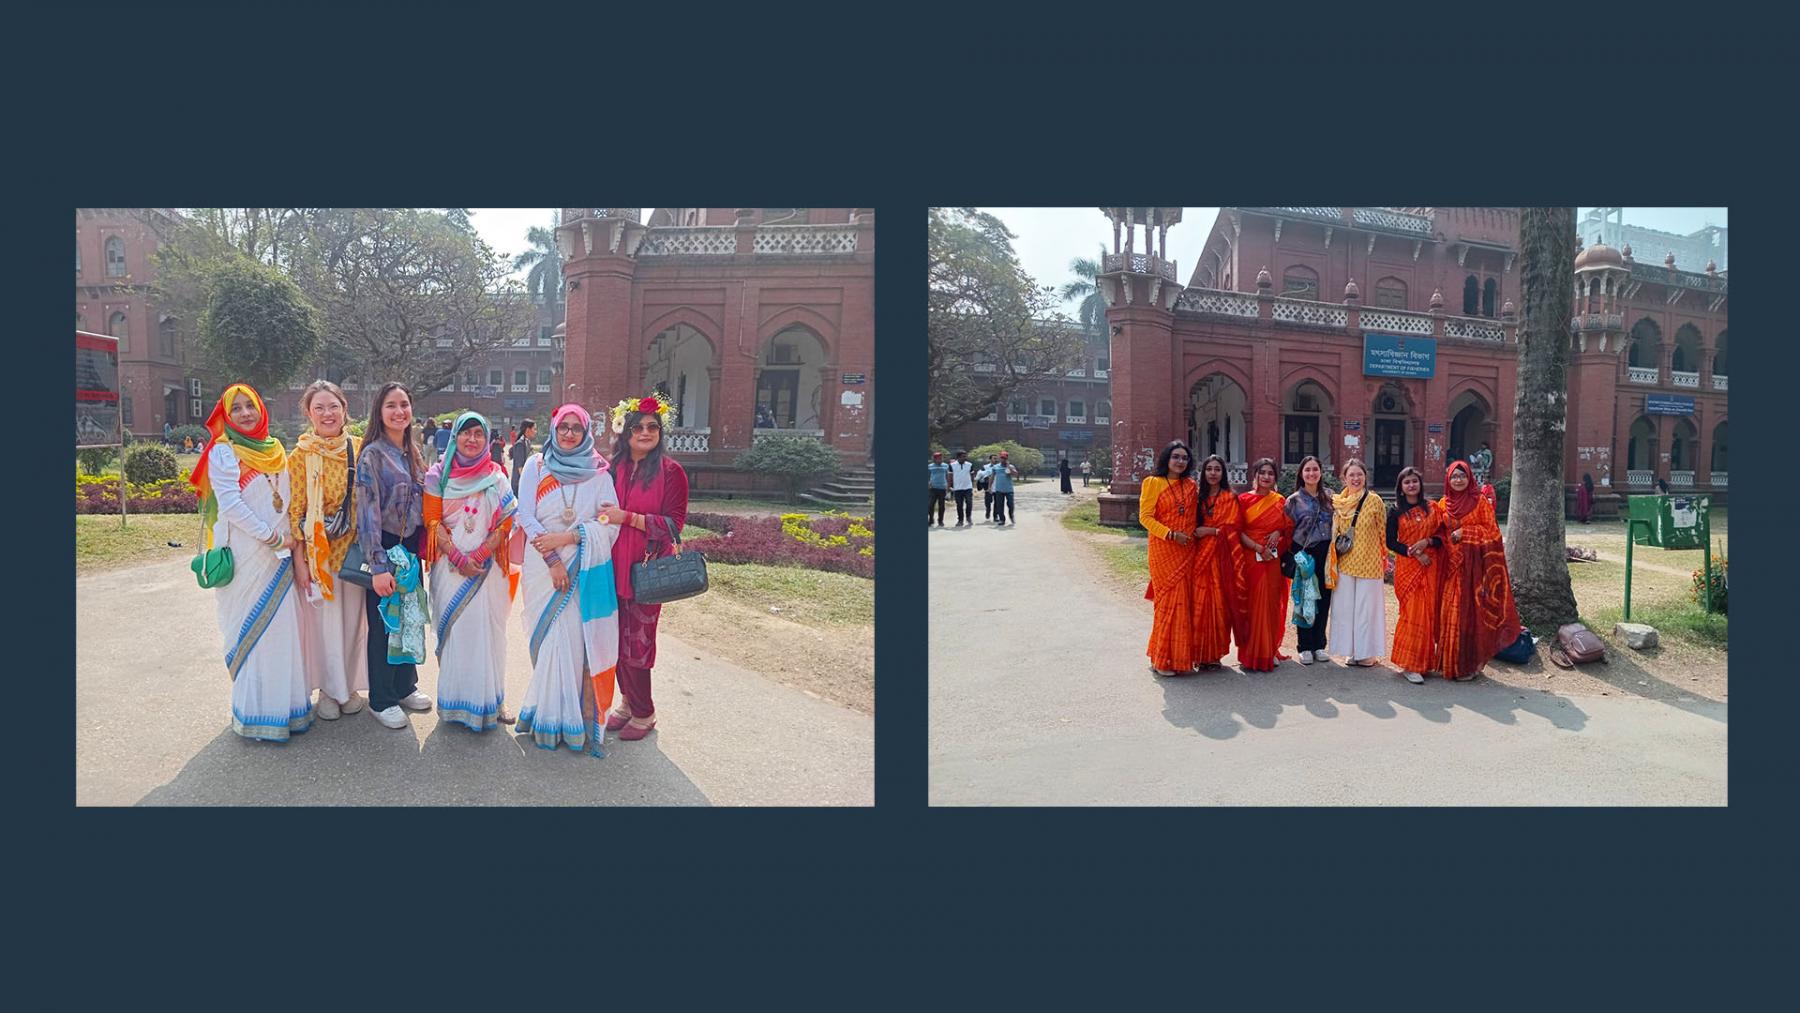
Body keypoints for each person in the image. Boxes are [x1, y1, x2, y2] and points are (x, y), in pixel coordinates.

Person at [188, 383, 311, 742]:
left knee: (283, 630)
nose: (245, 413)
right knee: (253, 631)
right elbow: (231, 506)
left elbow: (288, 501)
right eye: (236, 408)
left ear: (261, 409)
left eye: (250, 406)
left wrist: (288, 543)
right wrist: (272, 538)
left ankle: (288, 710)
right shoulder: (223, 453)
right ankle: (257, 713)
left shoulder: (275, 450)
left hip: (280, 556)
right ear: (227, 415)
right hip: (246, 557)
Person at [515, 405, 622, 754]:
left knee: (573, 641)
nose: (570, 434)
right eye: (564, 427)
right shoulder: (537, 465)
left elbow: (609, 522)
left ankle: (568, 720)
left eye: (577, 428)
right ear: (555, 429)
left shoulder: (600, 474)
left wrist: (567, 540)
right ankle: (544, 715)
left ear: (586, 432)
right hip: (541, 565)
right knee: (548, 638)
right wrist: (550, 558)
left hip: (580, 566)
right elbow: (524, 514)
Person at [602, 394, 691, 742]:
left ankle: (645, 712)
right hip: (610, 569)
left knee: (637, 647)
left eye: (652, 427)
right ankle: (626, 703)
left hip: (646, 572)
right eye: (637, 426)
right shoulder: (613, 468)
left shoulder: (672, 472)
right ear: (625, 431)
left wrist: (629, 519)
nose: (645, 432)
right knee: (613, 642)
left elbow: (674, 525)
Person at [423, 412, 518, 732]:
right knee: (456, 634)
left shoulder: (497, 475)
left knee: (490, 634)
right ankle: (455, 703)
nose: (472, 439)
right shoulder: (437, 476)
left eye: (479, 433)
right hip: (450, 568)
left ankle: (493, 699)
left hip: (487, 568)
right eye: (466, 433)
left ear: (487, 439)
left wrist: (480, 552)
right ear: (455, 438)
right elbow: (432, 522)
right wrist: (458, 557)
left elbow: (508, 519)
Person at [287, 380, 369, 721]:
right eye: (319, 408)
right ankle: (326, 691)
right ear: (308, 413)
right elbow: (295, 510)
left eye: (332, 406)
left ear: (344, 408)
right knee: (323, 625)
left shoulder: (360, 448)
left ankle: (347, 687)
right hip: (318, 556)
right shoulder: (301, 455)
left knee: (352, 623)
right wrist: (300, 562)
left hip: (352, 554)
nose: (327, 414)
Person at [355, 382, 434, 729]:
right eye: (391, 405)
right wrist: (378, 564)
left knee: (410, 617)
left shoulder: (413, 451)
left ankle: (405, 686)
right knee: (385, 624)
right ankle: (381, 698)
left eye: (404, 404)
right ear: (379, 411)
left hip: (412, 547)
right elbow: (367, 512)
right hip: (385, 547)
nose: (399, 411)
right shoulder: (372, 454)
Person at [1436, 459, 1522, 681]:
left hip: (1474, 570)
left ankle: (1467, 664)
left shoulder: (1480, 502)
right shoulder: (1443, 504)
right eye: (1454, 476)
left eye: (1462, 476)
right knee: (1450, 612)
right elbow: (1437, 532)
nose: (1458, 480)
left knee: (1470, 615)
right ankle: (1448, 662)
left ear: (1469, 478)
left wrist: (1466, 533)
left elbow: (1492, 533)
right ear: (1448, 479)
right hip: (1450, 567)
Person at [1323, 458, 1389, 667]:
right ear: (1344, 478)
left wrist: (1385, 557)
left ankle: (1366, 654)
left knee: (1366, 610)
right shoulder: (1337, 502)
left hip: (1369, 564)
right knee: (1345, 610)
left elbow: (1383, 533)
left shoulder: (1375, 501)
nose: (1355, 478)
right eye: (1351, 475)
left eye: (1359, 474)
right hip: (1344, 563)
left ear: (1365, 477)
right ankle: (1350, 651)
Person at [1140, 442, 1198, 676]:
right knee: (1166, 605)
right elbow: (1145, 517)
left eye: (1184, 458)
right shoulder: (1153, 482)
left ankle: (1180, 658)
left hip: (1187, 551)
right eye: (1176, 457)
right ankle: (1162, 659)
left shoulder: (1191, 485)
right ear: (1167, 458)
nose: (1180, 462)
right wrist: (1171, 534)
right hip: (1163, 550)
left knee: (1183, 605)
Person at [1386, 465, 1444, 684]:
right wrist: (1415, 553)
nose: (1411, 485)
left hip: (1431, 566)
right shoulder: (1395, 511)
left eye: (1414, 481)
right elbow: (1391, 542)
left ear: (1420, 484)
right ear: (1401, 487)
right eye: (1407, 482)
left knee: (1427, 614)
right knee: (1412, 614)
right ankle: (1411, 664)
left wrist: (1427, 541)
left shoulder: (1432, 508)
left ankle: (1425, 662)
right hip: (1409, 568)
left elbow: (1442, 537)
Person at [1234, 458, 1292, 672]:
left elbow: (1288, 529)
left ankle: (1269, 648)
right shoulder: (1243, 500)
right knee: (1253, 604)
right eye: (1262, 472)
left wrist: (1278, 532)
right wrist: (1259, 548)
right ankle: (1251, 652)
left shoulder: (1280, 501)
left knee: (1271, 603)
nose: (1266, 477)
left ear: (1275, 478)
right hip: (1253, 557)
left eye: (1270, 473)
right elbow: (1237, 532)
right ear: (1255, 475)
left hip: (1273, 559)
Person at [1191, 454, 1242, 670]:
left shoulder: (1230, 498)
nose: (1213, 473)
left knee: (1220, 605)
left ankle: (1214, 656)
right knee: (1199, 605)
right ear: (1203, 472)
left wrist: (1210, 530)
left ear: (1223, 473)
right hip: (1199, 556)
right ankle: (1197, 653)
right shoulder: (1196, 497)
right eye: (1209, 469)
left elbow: (1233, 530)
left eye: (1217, 469)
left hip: (1222, 559)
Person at [1283, 455, 1335, 665]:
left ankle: (1319, 644)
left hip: (1327, 553)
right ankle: (1304, 646)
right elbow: (1287, 531)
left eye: (1315, 469)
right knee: (1305, 598)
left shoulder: (1330, 497)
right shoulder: (1294, 500)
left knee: (1323, 598)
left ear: (1321, 472)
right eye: (1307, 470)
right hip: (1305, 553)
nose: (1312, 473)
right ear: (1301, 474)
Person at [983, 451, 1020, 526]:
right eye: (1002, 458)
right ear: (1000, 458)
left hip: (1009, 490)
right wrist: (989, 487)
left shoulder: (1011, 466)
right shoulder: (996, 467)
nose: (1003, 459)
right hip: (999, 490)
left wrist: (1009, 467)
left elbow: (1016, 475)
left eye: (1005, 458)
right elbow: (992, 477)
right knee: (1000, 505)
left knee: (1010, 504)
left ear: (1007, 458)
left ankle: (1011, 515)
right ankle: (1002, 519)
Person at [948, 450, 975, 527]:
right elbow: (950, 476)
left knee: (969, 503)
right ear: (958, 457)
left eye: (965, 456)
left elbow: (972, 474)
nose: (965, 458)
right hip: (957, 488)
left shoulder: (969, 464)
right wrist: (949, 486)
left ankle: (968, 517)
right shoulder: (952, 465)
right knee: (959, 505)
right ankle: (960, 520)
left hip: (968, 487)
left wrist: (972, 483)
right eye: (963, 456)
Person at [510, 418, 536, 494]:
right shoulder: (520, 444)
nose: (535, 432)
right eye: (534, 429)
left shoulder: (527, 442)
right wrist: (526, 482)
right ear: (528, 430)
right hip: (519, 483)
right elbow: (520, 467)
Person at [928, 451, 949, 528]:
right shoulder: (930, 466)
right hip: (933, 488)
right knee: (930, 505)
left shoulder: (945, 466)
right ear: (935, 459)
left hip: (942, 488)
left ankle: (940, 521)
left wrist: (948, 486)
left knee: (941, 506)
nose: (940, 459)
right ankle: (931, 519)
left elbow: (947, 476)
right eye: (938, 458)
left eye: (941, 458)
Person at [979, 452, 999, 520]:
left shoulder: (999, 466)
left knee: (997, 502)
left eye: (996, 458)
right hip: (988, 487)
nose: (996, 460)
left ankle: (995, 516)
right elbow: (980, 475)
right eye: (994, 458)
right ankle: (988, 511)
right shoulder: (985, 467)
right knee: (988, 501)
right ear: (990, 459)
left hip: (997, 486)